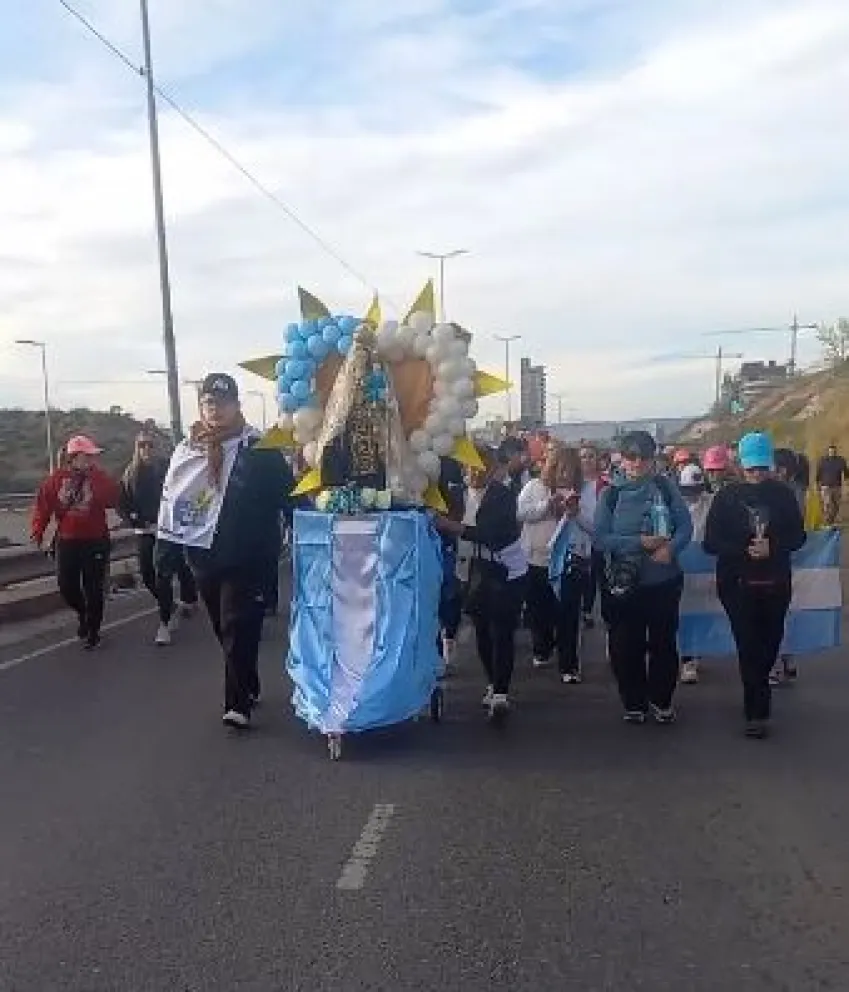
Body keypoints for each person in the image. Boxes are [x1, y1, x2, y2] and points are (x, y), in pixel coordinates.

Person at [157, 373, 297, 729]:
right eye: (208, 403)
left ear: (236, 405)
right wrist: (166, 548)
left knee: (238, 623)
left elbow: (288, 496)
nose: (214, 410)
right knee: (222, 627)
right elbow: (172, 502)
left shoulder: (260, 449)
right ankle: (246, 679)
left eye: (222, 403)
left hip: (250, 555)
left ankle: (237, 705)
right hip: (203, 555)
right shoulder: (188, 449)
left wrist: (304, 529)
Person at [703, 432, 806, 739]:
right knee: (748, 643)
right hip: (736, 582)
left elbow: (798, 536)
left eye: (762, 468)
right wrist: (742, 549)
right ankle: (756, 711)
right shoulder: (726, 497)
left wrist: (773, 547)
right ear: (740, 466)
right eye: (751, 469)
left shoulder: (783, 495)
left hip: (775, 580)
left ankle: (758, 687)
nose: (757, 474)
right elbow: (711, 542)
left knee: (769, 642)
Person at [594, 430, 693, 724]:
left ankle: (662, 700)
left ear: (653, 459)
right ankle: (634, 701)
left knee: (664, 644)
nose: (637, 463)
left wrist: (671, 549)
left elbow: (685, 527)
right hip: (625, 583)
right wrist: (639, 544)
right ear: (621, 459)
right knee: (626, 645)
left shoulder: (665, 487)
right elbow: (601, 538)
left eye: (644, 457)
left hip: (663, 580)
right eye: (631, 457)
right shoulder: (610, 494)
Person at [438, 445, 527, 721]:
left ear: (492, 468)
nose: (475, 472)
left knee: (501, 630)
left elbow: (494, 534)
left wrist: (456, 528)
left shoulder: (503, 496)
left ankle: (501, 692)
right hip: (471, 572)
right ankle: (492, 680)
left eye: (481, 466)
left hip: (505, 571)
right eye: (470, 466)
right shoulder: (456, 496)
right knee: (482, 631)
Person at [30, 435, 120, 649]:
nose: (90, 460)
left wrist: (95, 476)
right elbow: (43, 508)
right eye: (85, 456)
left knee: (93, 588)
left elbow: (112, 498)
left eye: (92, 456)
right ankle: (83, 613)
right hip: (67, 542)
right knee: (66, 586)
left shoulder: (98, 477)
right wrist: (38, 532)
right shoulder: (56, 480)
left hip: (95, 541)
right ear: (72, 458)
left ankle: (93, 631)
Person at [119, 431, 198, 646]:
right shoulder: (130, 473)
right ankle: (172, 603)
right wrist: (134, 520)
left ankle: (165, 622)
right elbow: (123, 503)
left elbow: (184, 494)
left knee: (168, 573)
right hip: (144, 531)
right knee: (147, 576)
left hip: (169, 531)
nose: (146, 449)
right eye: (142, 445)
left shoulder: (168, 468)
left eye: (150, 445)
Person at [677, 463, 713, 685]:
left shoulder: (712, 503)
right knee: (684, 614)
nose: (693, 495)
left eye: (697, 490)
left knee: (704, 613)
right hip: (682, 565)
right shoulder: (676, 505)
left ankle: (696, 651)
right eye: (688, 491)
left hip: (706, 565)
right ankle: (686, 658)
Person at [816, 444, 848, 526]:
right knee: (827, 504)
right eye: (830, 451)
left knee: (836, 504)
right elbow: (818, 473)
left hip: (837, 486)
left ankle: (831, 519)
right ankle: (827, 521)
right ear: (828, 452)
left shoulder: (840, 460)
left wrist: (847, 480)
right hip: (825, 486)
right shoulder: (823, 460)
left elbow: (846, 471)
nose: (832, 453)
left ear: (835, 452)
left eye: (833, 452)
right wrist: (817, 484)